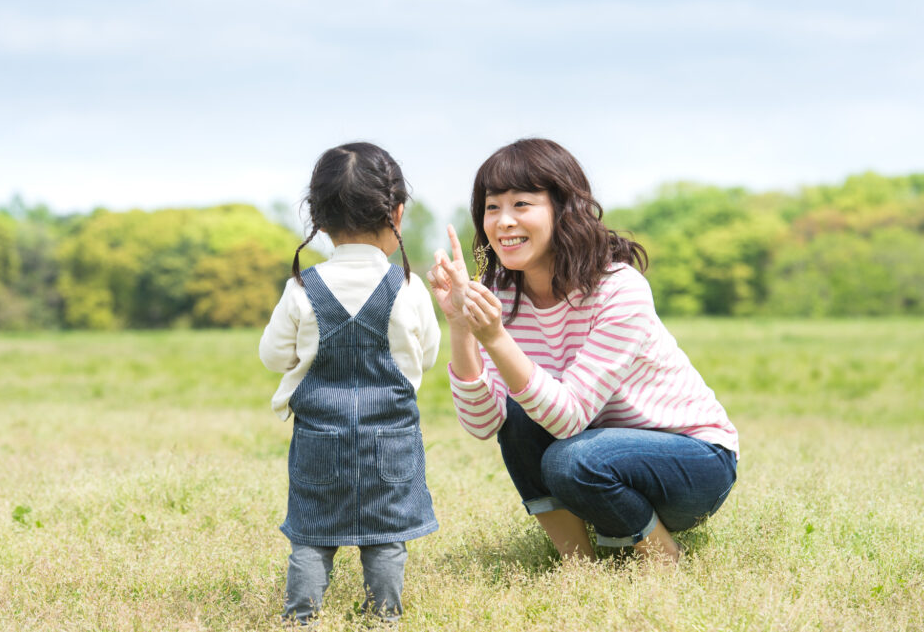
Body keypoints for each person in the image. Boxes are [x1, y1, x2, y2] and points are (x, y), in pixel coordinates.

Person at [427, 138, 738, 564]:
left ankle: (663, 557)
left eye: (521, 204)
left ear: (563, 208)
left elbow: (570, 417)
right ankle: (579, 565)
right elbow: (484, 424)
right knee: (522, 419)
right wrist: (462, 327)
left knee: (571, 460)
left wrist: (497, 339)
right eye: (492, 207)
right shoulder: (500, 295)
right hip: (597, 453)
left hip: (692, 459)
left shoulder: (618, 288)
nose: (503, 222)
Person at [259, 142, 441, 624]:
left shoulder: (303, 287)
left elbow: (272, 354)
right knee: (386, 536)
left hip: (321, 440)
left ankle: (301, 617)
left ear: (318, 218)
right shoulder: (408, 287)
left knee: (312, 536)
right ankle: (385, 616)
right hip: (392, 441)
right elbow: (428, 354)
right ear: (397, 213)